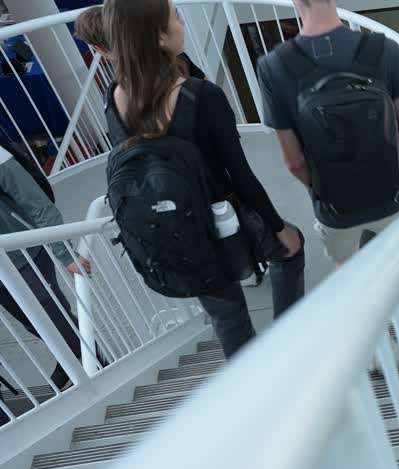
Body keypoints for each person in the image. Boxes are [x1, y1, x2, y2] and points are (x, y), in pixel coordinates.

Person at [104, 0, 304, 360]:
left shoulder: (116, 96)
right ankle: (289, 345)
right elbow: (241, 177)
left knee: (227, 313)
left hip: (176, 231)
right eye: (176, 17)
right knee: (291, 249)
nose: (183, 23)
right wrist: (277, 227)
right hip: (225, 220)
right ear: (160, 37)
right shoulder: (202, 96)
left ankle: (250, 386)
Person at [257, 0, 399, 266]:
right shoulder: (385, 50)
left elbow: (294, 162)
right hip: (395, 198)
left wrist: (324, 192)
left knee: (350, 277)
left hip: (337, 213)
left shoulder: (274, 66)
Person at [0, 146, 92, 395]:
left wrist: (65, 254)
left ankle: (98, 365)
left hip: (22, 254)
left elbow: (37, 204)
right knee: (32, 322)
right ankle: (72, 360)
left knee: (53, 315)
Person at [76, 4, 206, 79]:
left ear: (101, 49)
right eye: (175, 16)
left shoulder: (116, 101)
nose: (181, 21)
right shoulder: (176, 57)